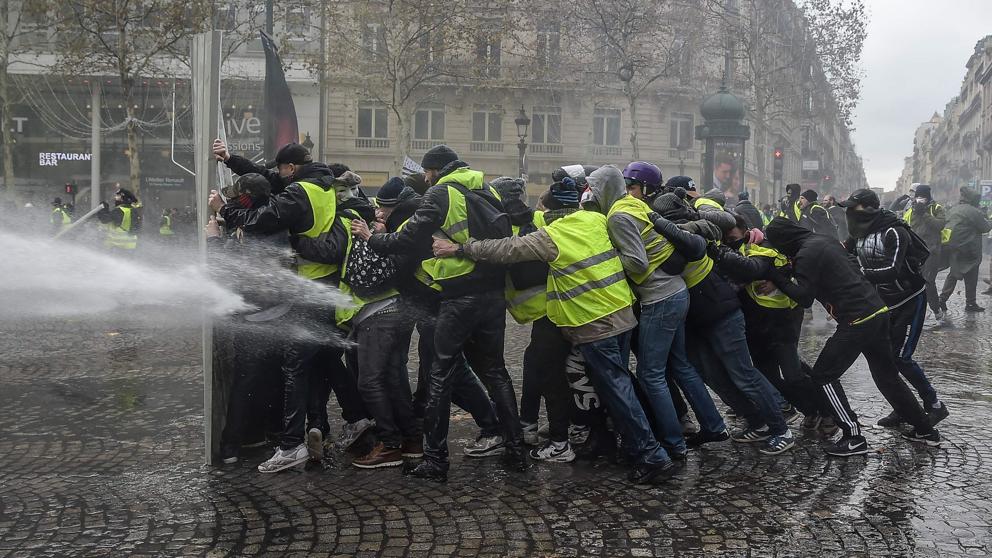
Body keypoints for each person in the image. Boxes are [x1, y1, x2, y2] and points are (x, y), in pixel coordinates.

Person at [432, 174, 681, 485]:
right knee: (617, 386)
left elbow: (505, 249)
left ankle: (651, 454)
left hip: (594, 323)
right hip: (622, 314)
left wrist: (459, 249)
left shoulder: (553, 236)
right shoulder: (593, 219)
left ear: (550, 214)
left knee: (618, 391)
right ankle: (634, 446)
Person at [364, 145, 526, 482]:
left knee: (440, 374)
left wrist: (372, 238)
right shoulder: (487, 186)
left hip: (458, 295)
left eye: (427, 172)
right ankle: (516, 449)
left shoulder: (441, 192)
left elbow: (408, 238)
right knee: (496, 372)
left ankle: (436, 460)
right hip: (493, 296)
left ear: (435, 170)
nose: (424, 178)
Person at [213, 141, 373, 473]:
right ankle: (356, 418)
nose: (279, 175)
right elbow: (264, 176)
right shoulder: (322, 184)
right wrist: (231, 160)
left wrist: (226, 210)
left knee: (295, 368)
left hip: (310, 289)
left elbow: (261, 218)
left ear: (292, 169)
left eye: (282, 169)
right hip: (323, 286)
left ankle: (291, 446)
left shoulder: (301, 193)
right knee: (327, 358)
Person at [765, 216, 941, 456]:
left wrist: (775, 276)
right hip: (877, 311)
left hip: (857, 319)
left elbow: (804, 297)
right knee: (887, 377)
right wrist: (788, 271)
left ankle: (853, 435)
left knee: (823, 376)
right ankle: (926, 431)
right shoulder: (823, 241)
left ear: (783, 241)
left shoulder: (806, 253)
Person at [653, 184, 794, 455]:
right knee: (713, 375)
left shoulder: (693, 229)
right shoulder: (683, 230)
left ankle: (780, 427)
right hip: (699, 316)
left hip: (721, 312)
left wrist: (676, 221)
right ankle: (758, 421)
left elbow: (679, 259)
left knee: (743, 373)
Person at [611, 163, 728, 459]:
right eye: (625, 187)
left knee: (650, 374)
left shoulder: (629, 213)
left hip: (661, 298)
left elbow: (636, 263)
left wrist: (609, 264)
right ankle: (714, 425)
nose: (628, 192)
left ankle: (673, 443)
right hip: (676, 292)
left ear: (648, 189)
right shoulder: (643, 208)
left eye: (633, 187)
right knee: (680, 366)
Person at [840, 188, 949, 427]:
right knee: (886, 358)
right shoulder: (859, 232)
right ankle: (903, 408)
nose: (848, 212)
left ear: (868, 209)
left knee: (901, 357)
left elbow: (893, 270)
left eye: (853, 207)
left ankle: (935, 405)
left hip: (910, 300)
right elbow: (842, 253)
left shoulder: (894, 231)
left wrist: (859, 275)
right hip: (885, 303)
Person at [708, 214, 824, 421]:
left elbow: (761, 267)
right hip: (755, 324)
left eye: (732, 236)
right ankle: (797, 408)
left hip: (782, 321)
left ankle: (820, 411)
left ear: (745, 231)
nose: (729, 241)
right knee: (768, 375)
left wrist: (777, 278)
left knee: (793, 373)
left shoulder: (765, 245)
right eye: (725, 238)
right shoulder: (733, 250)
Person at [939, 187, 991, 313]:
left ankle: (942, 299)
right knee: (971, 276)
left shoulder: (953, 209)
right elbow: (985, 228)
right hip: (970, 249)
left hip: (954, 247)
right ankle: (971, 303)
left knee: (953, 274)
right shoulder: (973, 211)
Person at [902, 185, 947, 320]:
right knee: (913, 281)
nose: (920, 200)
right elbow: (905, 226)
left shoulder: (937, 208)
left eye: (923, 197)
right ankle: (914, 311)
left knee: (928, 282)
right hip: (914, 252)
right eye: (918, 197)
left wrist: (924, 214)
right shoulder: (910, 210)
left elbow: (940, 225)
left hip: (932, 252)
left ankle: (936, 309)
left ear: (928, 197)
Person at [96, 187, 140, 253]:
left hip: (118, 247)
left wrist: (103, 209)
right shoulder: (133, 210)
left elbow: (104, 219)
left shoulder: (120, 211)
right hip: (130, 247)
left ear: (123, 198)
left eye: (117, 196)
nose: (115, 198)